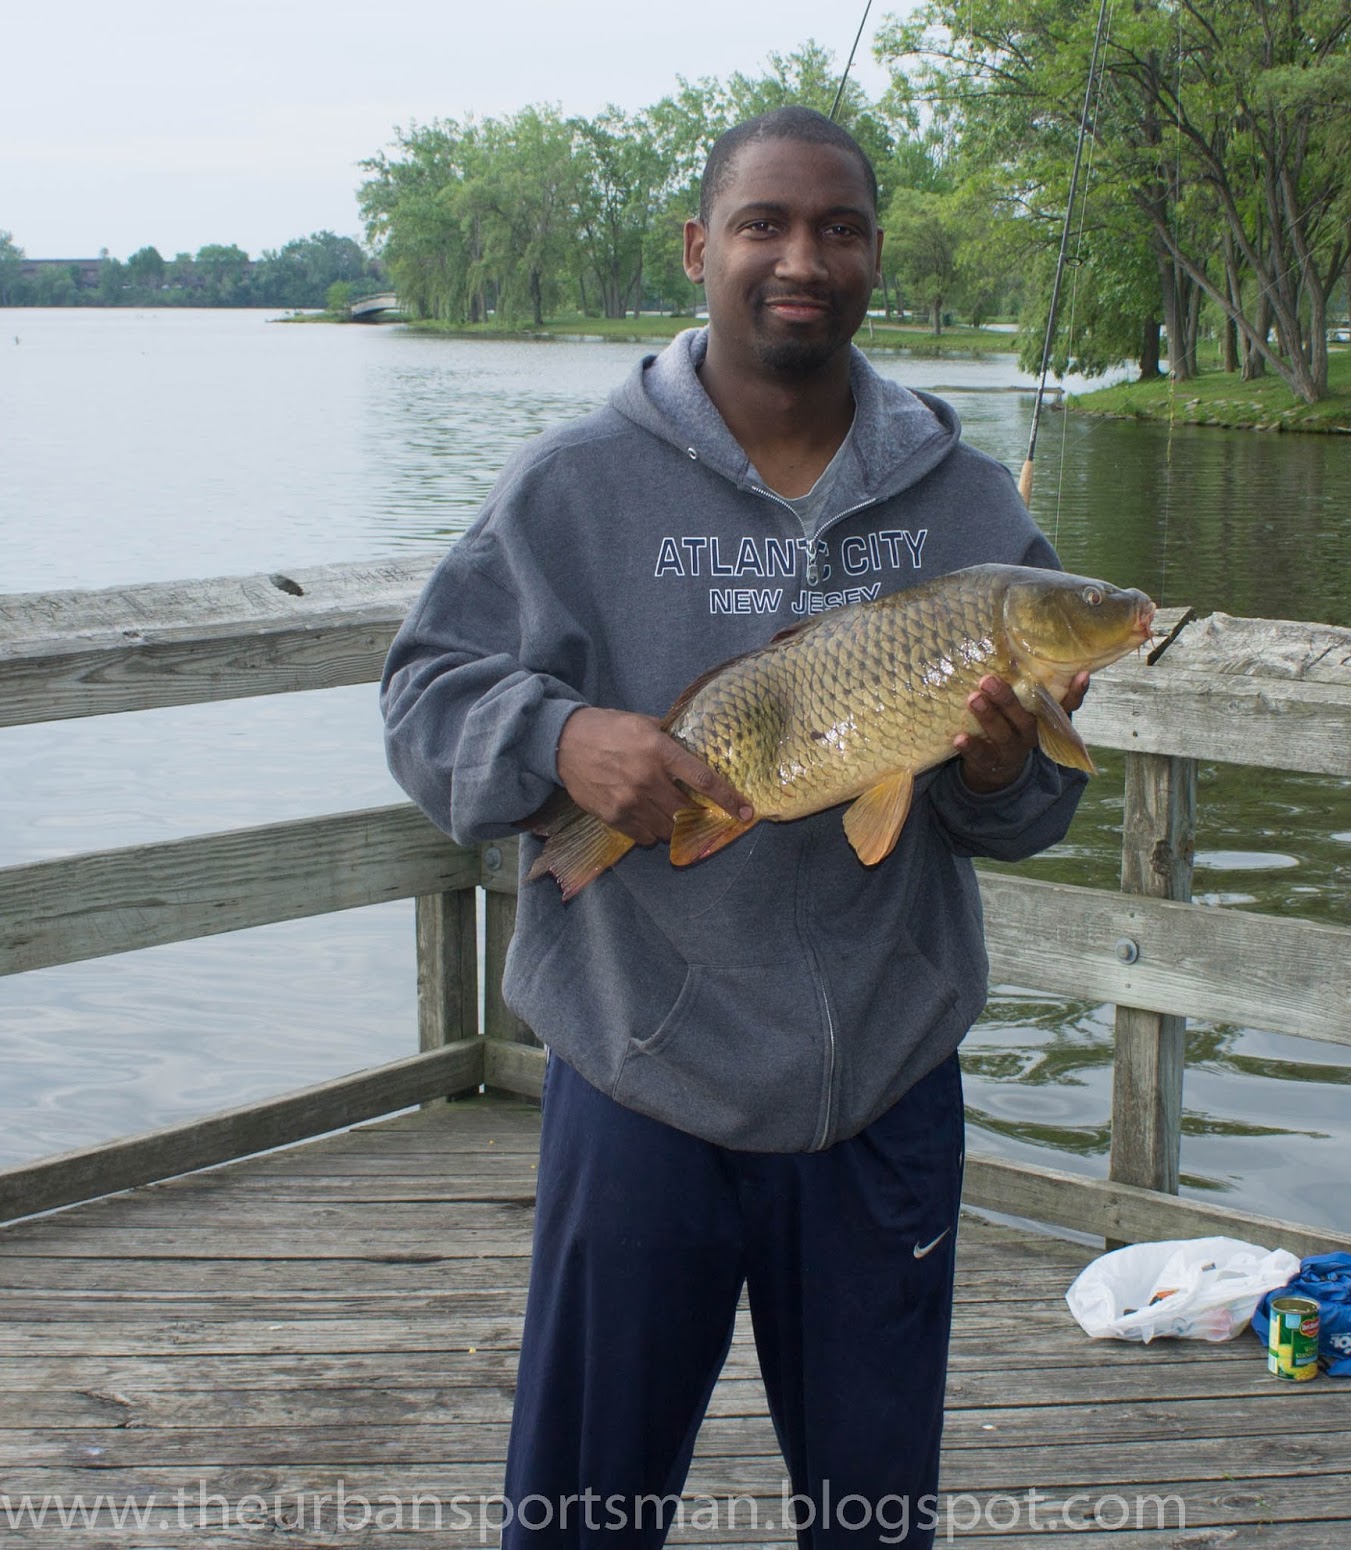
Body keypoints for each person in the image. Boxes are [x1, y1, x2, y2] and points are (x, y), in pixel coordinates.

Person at [380, 106, 1090, 1550]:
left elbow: (1029, 815)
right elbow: (423, 693)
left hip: (884, 1089)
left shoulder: (969, 507)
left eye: (837, 228)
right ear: (701, 248)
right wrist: (561, 738)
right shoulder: (576, 483)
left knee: (876, 1517)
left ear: (875, 257)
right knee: (583, 1508)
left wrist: (1001, 768)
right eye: (764, 225)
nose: (800, 258)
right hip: (641, 1074)